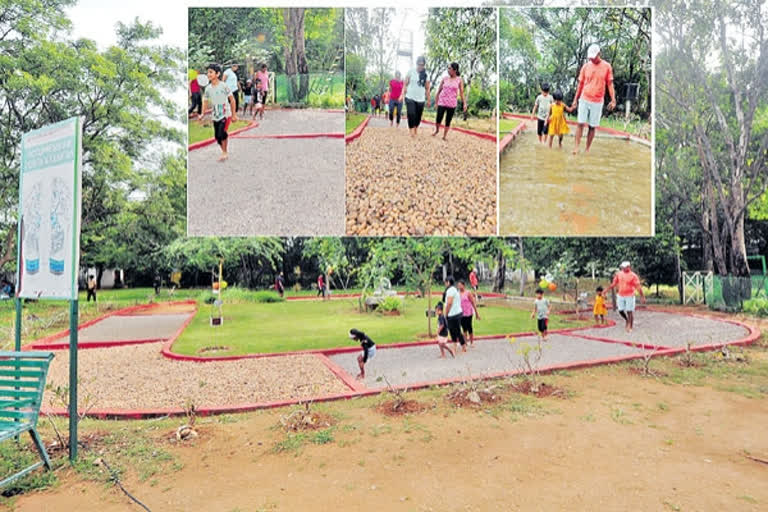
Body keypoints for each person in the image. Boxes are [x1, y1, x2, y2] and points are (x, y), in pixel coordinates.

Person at [570, 44, 616, 154]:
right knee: (580, 123)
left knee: (592, 126)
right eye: (590, 57)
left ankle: (587, 149)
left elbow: (610, 84)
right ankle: (576, 147)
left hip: (598, 101)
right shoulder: (585, 67)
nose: (592, 59)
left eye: (593, 57)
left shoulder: (607, 67)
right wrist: (575, 100)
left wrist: (613, 99)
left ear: (599, 54)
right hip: (584, 98)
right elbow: (580, 85)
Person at [200, 63, 238, 162]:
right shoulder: (207, 88)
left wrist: (234, 114)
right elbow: (205, 101)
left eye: (211, 72)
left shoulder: (223, 86)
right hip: (215, 114)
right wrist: (202, 114)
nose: (208, 74)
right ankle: (224, 151)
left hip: (226, 113)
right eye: (208, 72)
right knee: (217, 136)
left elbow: (232, 100)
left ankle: (224, 152)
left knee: (221, 133)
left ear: (217, 74)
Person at [605, 261, 645, 332]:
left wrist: (642, 296)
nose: (623, 268)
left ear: (629, 267)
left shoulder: (633, 276)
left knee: (629, 311)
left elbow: (638, 287)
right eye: (622, 267)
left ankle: (630, 325)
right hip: (621, 295)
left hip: (630, 295)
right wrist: (606, 290)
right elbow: (614, 283)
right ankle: (627, 320)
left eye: (625, 267)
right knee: (620, 310)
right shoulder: (619, 274)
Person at [431, 62, 467, 141]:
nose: (448, 70)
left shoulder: (459, 80)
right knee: (438, 118)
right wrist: (436, 102)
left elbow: (461, 93)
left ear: (455, 70)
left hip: (452, 103)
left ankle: (444, 135)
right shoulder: (445, 78)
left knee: (448, 120)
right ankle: (437, 130)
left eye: (449, 68)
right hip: (442, 101)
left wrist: (464, 103)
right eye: (448, 68)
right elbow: (439, 90)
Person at [401, 56, 431, 137]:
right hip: (410, 97)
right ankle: (411, 131)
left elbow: (427, 88)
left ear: (424, 65)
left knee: (418, 116)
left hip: (421, 99)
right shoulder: (411, 71)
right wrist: (402, 95)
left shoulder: (426, 75)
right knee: (411, 114)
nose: (420, 66)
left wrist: (428, 100)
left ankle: (415, 128)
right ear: (416, 64)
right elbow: (405, 84)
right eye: (419, 64)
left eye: (422, 65)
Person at [443, 276, 467, 352]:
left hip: (453, 314)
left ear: (448, 282)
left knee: (456, 331)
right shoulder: (454, 290)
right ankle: (455, 346)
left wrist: (446, 314)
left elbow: (449, 303)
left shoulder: (450, 290)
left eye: (445, 282)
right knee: (453, 331)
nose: (445, 284)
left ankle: (463, 346)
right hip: (456, 313)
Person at [458, 280, 481, 347]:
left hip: (468, 313)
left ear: (463, 285)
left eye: (460, 285)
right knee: (464, 328)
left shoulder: (468, 293)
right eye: (458, 285)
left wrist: (477, 313)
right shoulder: (458, 293)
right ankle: (465, 342)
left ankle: (471, 342)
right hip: (461, 313)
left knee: (469, 327)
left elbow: (473, 303)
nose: (459, 287)